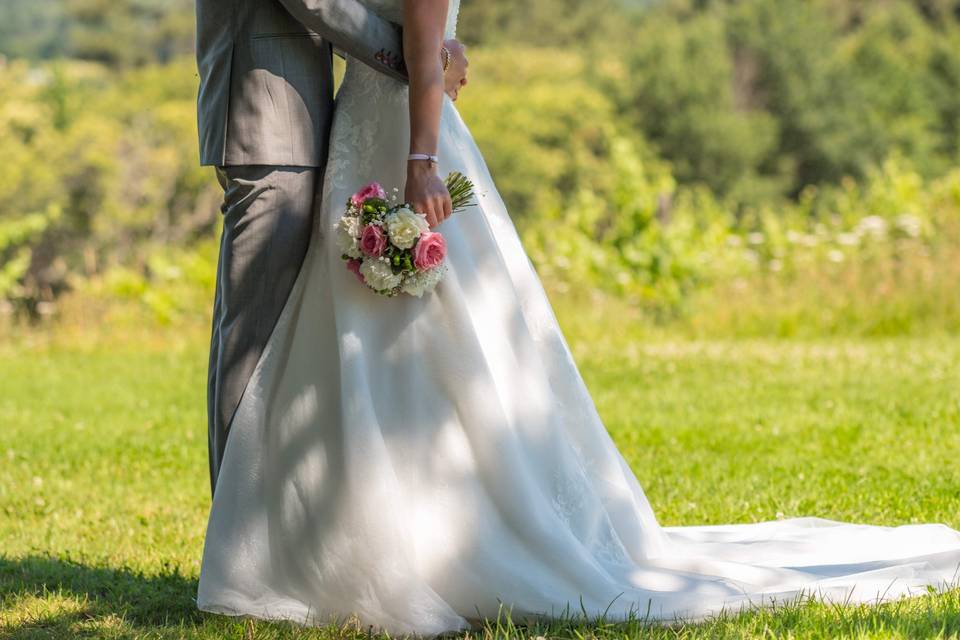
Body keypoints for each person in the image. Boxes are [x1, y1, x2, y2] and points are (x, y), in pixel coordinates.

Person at [197, 0, 960, 635]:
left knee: (372, 342)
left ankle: (294, 541)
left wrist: (419, 138)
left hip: (379, 132)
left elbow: (408, 31)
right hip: (340, 123)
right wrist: (404, 62)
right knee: (297, 339)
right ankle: (271, 535)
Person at [196, 0, 468, 494]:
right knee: (253, 341)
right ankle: (236, 537)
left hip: (289, 119)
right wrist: (419, 56)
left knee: (260, 333)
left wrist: (427, 50)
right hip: (268, 119)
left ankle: (254, 525)